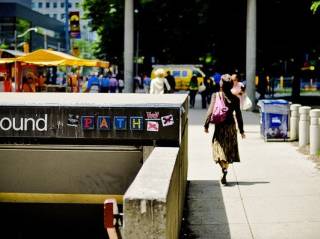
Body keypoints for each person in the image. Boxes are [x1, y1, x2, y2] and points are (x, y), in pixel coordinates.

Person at [204, 74, 245, 185]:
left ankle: (223, 167)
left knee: (217, 147)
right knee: (228, 150)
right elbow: (239, 115)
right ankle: (225, 168)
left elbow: (210, 111)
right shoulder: (235, 99)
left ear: (221, 85)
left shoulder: (215, 95)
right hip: (231, 127)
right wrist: (241, 130)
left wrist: (206, 125)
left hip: (220, 127)